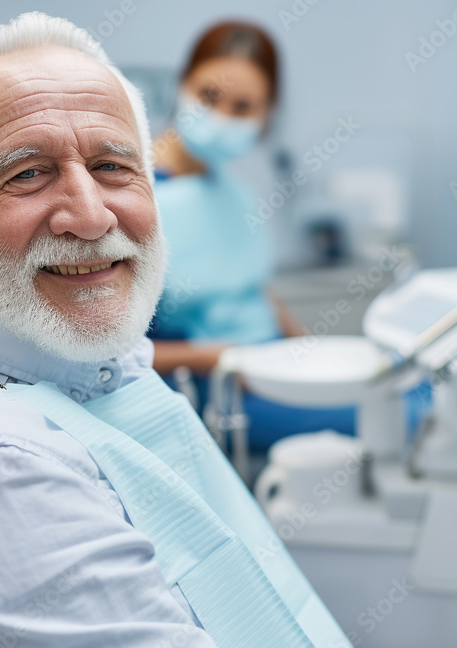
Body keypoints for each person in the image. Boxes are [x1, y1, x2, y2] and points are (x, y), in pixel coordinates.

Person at [0, 12, 363, 648]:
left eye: (114, 166)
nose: (90, 216)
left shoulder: (101, 373)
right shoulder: (8, 461)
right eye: (28, 173)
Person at [151, 22, 354, 449]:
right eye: (209, 96)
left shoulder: (234, 191)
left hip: (273, 363)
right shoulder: (135, 196)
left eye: (242, 107)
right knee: (402, 414)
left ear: (265, 119)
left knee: (401, 383)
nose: (222, 116)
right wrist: (219, 358)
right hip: (223, 388)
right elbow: (114, 353)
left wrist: (317, 355)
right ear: (182, 85)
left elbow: (258, 294)